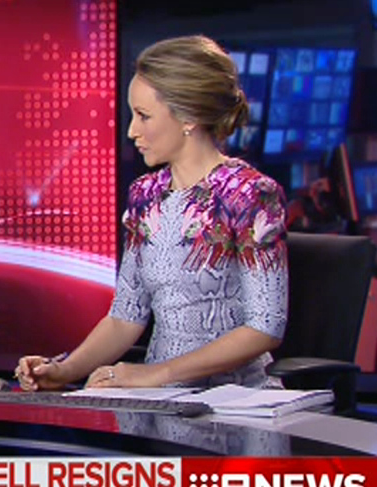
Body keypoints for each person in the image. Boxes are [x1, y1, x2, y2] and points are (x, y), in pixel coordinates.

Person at [16, 35, 287, 391]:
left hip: (234, 399)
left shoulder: (250, 194)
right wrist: (64, 370)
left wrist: (155, 374)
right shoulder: (145, 196)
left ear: (188, 116)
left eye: (143, 116)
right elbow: (125, 317)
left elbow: (265, 327)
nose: (131, 131)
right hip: (158, 395)